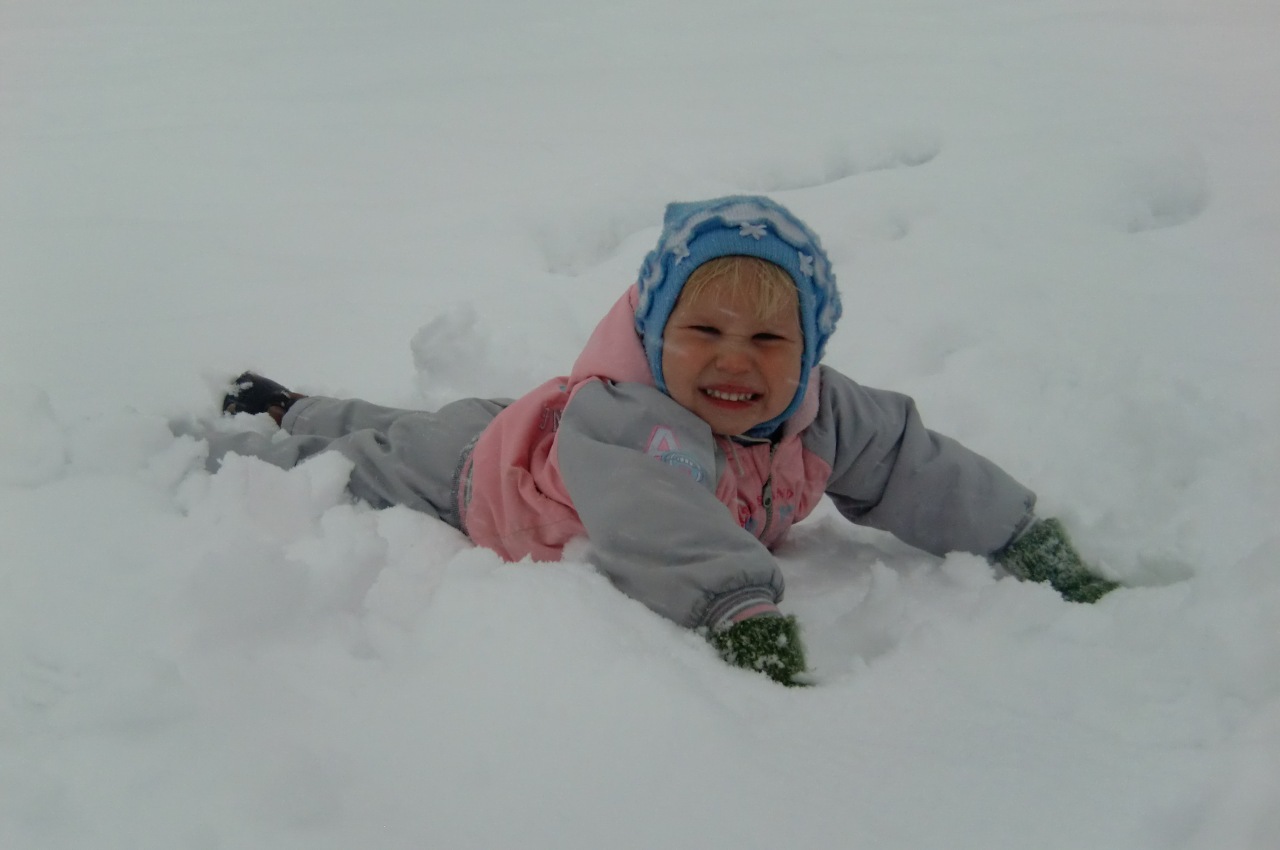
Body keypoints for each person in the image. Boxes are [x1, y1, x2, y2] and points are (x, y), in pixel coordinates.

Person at [208, 195, 1119, 685]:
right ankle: (260, 438)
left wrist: (1016, 535)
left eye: (769, 340)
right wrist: (737, 607)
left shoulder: (825, 413)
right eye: (704, 332)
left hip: (528, 426)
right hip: (482, 479)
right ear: (654, 336)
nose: (736, 362)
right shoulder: (635, 427)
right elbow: (660, 519)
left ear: (809, 350)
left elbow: (913, 463)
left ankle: (298, 404)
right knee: (365, 457)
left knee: (406, 425)